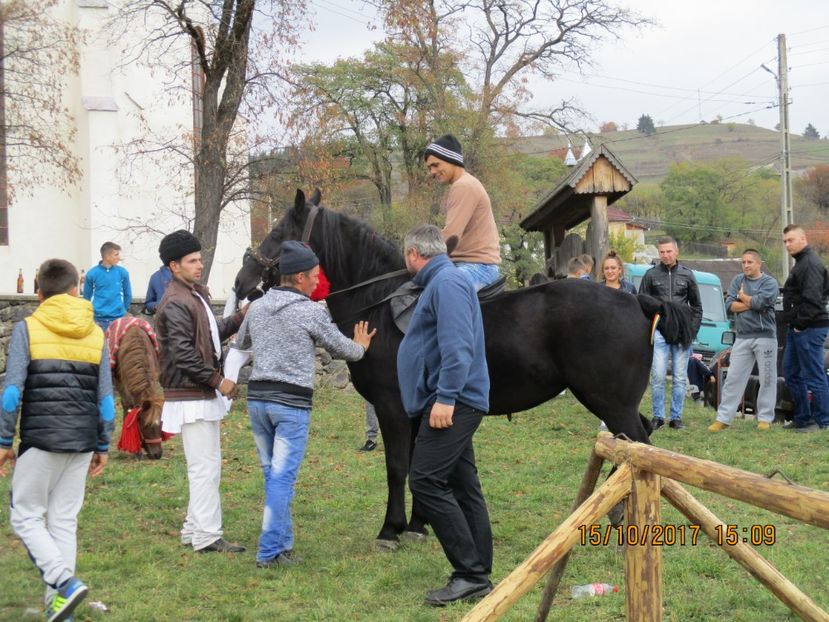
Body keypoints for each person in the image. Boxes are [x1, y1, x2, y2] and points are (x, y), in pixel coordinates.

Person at [231, 240, 376, 568]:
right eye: (313, 275)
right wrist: (362, 345)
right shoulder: (311, 311)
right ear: (298, 278)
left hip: (258, 402)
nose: (316, 281)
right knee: (283, 478)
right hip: (290, 406)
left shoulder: (258, 307)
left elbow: (242, 344)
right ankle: (269, 552)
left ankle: (282, 545)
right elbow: (343, 349)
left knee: (272, 475)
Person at [0, 258, 115, 622]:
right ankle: (59, 606)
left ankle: (62, 583)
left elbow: (11, 392)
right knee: (63, 520)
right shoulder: (96, 332)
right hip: (82, 442)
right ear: (75, 289)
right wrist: (102, 444)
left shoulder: (28, 328)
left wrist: (4, 440)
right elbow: (107, 401)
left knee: (26, 517)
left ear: (39, 294)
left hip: (41, 439)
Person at [397, 224, 493, 606]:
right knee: (463, 486)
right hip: (449, 399)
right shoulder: (444, 282)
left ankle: (469, 573)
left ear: (413, 254)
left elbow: (458, 346)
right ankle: (479, 571)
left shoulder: (447, 284)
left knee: (424, 481)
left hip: (453, 401)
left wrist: (446, 397)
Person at [154, 230, 247, 552]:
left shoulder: (193, 295)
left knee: (206, 465)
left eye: (199, 259)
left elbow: (209, 335)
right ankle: (206, 536)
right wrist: (217, 380)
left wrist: (238, 318)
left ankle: (194, 529)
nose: (199, 265)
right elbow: (182, 353)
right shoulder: (176, 302)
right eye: (192, 261)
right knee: (204, 467)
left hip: (197, 392)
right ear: (173, 265)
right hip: (190, 394)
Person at [709, 249, 779, 432]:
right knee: (733, 378)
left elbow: (762, 303)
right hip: (742, 337)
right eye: (744, 262)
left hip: (765, 337)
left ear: (759, 263)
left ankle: (764, 418)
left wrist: (744, 298)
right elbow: (729, 305)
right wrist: (751, 302)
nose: (746, 265)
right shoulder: (737, 280)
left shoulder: (769, 282)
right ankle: (723, 418)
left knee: (768, 379)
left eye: (750, 262)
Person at [638, 237, 703, 430]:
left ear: (676, 252)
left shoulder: (688, 275)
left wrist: (692, 331)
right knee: (657, 375)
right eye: (662, 252)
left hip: (682, 334)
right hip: (659, 332)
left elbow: (697, 307)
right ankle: (658, 416)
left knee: (680, 377)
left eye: (669, 251)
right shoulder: (650, 275)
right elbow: (641, 303)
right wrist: (648, 330)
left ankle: (676, 417)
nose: (665, 255)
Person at [424, 134, 501, 290]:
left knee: (441, 291)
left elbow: (451, 236)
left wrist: (421, 258)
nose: (432, 172)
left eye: (436, 165)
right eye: (429, 167)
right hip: (467, 265)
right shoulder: (464, 184)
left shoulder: (463, 186)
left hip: (478, 268)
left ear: (451, 160)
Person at [781, 225, 829, 431]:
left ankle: (823, 422)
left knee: (814, 375)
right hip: (798, 327)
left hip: (810, 327)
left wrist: (800, 324)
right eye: (785, 241)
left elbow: (813, 300)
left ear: (803, 239)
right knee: (791, 371)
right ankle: (803, 417)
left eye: (791, 240)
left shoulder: (809, 263)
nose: (787, 245)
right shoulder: (801, 262)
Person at [83, 241, 132, 331]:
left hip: (118, 318)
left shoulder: (123, 272)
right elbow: (86, 297)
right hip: (98, 319)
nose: (119, 258)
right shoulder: (92, 273)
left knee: (116, 345)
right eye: (116, 255)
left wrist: (122, 310)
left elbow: (128, 294)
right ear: (107, 256)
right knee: (100, 345)